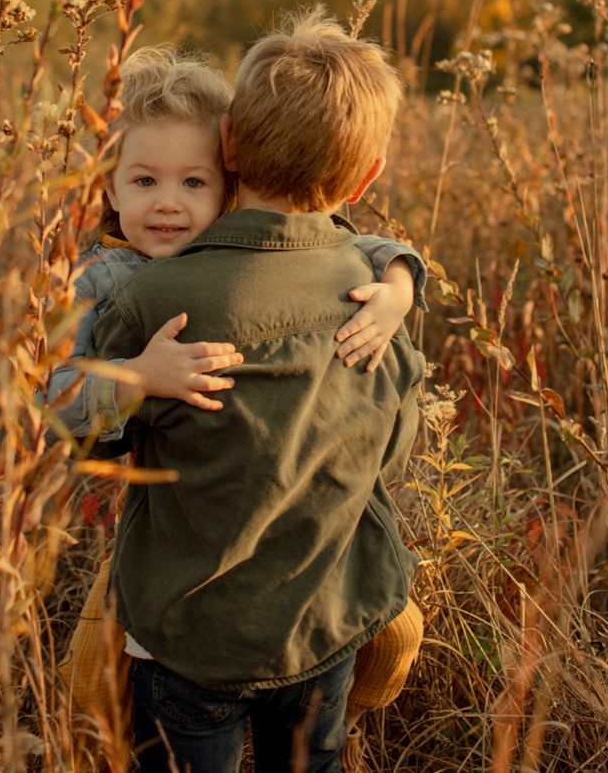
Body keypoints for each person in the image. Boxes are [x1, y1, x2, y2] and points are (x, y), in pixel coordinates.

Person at [47, 44, 426, 750]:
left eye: (194, 182)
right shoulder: (105, 281)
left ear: (229, 161)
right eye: (144, 181)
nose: (167, 203)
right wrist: (137, 378)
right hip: (295, 608)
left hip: (189, 617)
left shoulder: (172, 284)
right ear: (109, 185)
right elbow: (57, 406)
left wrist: (401, 275)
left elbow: (345, 233)